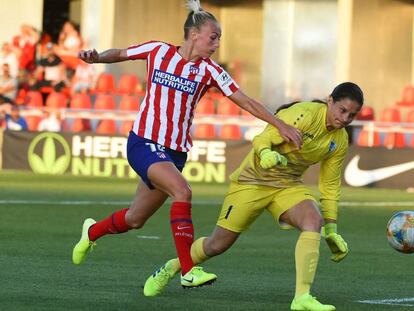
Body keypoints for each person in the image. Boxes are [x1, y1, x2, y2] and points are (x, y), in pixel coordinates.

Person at [71, 0, 302, 291]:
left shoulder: (210, 70)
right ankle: (188, 271)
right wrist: (97, 58)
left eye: (219, 38)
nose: (217, 43)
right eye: (213, 37)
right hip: (144, 141)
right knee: (183, 191)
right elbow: (119, 53)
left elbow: (245, 100)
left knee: (135, 219)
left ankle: (91, 232)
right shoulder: (158, 51)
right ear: (194, 34)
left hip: (176, 152)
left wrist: (280, 123)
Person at [143, 82, 364, 311]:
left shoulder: (339, 140)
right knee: (217, 245)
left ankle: (302, 297)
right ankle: (171, 267)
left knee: (313, 221)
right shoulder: (303, 114)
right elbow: (262, 139)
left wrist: (331, 228)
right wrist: (266, 153)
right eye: (343, 110)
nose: (346, 118)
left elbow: (329, 185)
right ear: (330, 100)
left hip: (287, 185)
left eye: (353, 114)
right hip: (252, 181)